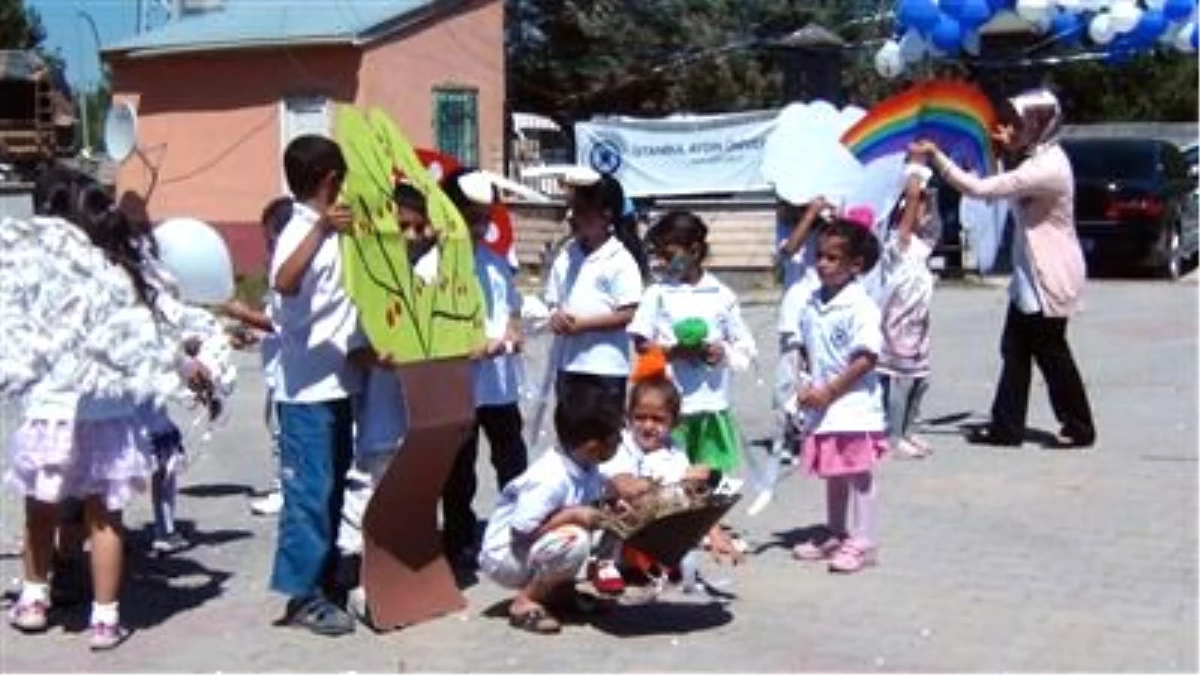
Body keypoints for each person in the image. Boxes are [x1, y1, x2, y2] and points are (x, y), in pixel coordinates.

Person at [4, 175, 212, 650]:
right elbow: (157, 336)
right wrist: (187, 366)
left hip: (51, 411)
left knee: (40, 511)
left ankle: (35, 599)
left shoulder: (38, 269)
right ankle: (104, 619)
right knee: (105, 520)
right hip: (111, 416)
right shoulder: (124, 271)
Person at [911, 88, 1096, 449]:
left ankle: (1078, 426)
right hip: (1030, 274)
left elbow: (981, 189)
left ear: (1042, 124)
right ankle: (1007, 427)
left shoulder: (1047, 167)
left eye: (1023, 122)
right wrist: (1003, 151)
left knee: (1050, 352)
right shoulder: (1036, 159)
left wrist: (936, 157)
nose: (1015, 128)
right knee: (1016, 349)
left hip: (1050, 273)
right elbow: (1004, 180)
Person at [268, 134, 360, 636]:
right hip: (304, 391)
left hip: (336, 381)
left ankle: (326, 580)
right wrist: (321, 228)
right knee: (308, 492)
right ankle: (302, 594)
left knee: (331, 489)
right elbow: (283, 281)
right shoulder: (299, 228)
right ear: (330, 181)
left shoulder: (336, 231)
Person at [477, 382, 623, 635]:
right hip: (507, 554)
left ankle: (559, 592)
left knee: (613, 523)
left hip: (534, 547)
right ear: (592, 446)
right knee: (573, 539)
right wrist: (572, 516)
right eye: (615, 439)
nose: (621, 442)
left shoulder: (585, 465)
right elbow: (521, 531)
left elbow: (599, 492)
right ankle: (525, 602)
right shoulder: (549, 477)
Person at [439, 169, 530, 570]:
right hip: (458, 382)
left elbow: (511, 307)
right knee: (459, 466)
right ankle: (458, 538)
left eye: (485, 218)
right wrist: (466, 347)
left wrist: (511, 332)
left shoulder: (495, 262)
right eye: (471, 217)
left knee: (511, 458)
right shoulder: (435, 262)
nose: (479, 226)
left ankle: (523, 527)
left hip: (499, 382)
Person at [791, 218, 887, 574]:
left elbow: (866, 358)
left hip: (852, 407)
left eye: (833, 258)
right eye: (820, 256)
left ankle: (864, 540)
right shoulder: (813, 301)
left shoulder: (861, 307)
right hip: (822, 407)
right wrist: (804, 383)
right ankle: (835, 531)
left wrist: (831, 391)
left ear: (855, 265)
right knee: (833, 472)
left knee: (859, 473)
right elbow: (804, 348)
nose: (822, 264)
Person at [630, 211, 756, 476]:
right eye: (660, 255)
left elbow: (744, 349)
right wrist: (675, 352)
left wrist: (722, 353)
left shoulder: (721, 295)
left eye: (669, 254)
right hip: (672, 407)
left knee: (710, 479)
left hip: (711, 406)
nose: (664, 262)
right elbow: (642, 344)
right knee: (670, 478)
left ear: (695, 250)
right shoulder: (658, 293)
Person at [595, 375, 737, 593]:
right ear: (628, 417)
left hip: (651, 529)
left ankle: (653, 561)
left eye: (658, 419)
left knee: (684, 499)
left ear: (675, 422)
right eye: (640, 417)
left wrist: (715, 534)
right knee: (620, 505)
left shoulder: (674, 450)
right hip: (619, 526)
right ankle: (604, 563)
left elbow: (695, 496)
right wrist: (669, 484)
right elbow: (623, 485)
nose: (648, 425)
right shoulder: (621, 445)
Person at [544, 175, 644, 413]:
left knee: (602, 438)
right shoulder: (567, 255)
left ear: (605, 214)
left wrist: (584, 325)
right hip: (567, 363)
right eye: (571, 210)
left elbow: (628, 313)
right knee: (571, 434)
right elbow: (552, 301)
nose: (573, 217)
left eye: (580, 210)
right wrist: (555, 316)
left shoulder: (619, 259)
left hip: (605, 368)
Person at [222, 196, 294, 516]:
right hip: (276, 369)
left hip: (289, 374)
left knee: (284, 434)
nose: (269, 249)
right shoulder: (280, 271)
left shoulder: (293, 272)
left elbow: (282, 322)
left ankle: (285, 489)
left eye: (272, 240)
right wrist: (251, 335)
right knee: (274, 426)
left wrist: (241, 313)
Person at [876, 158, 941, 459]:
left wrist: (930, 195)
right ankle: (894, 434)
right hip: (897, 323)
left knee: (921, 379)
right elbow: (912, 200)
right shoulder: (895, 243)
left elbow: (933, 225)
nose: (923, 213)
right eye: (919, 208)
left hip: (918, 322)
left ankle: (910, 428)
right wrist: (915, 171)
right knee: (899, 379)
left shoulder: (922, 245)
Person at [775, 199, 834, 463]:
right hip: (794, 315)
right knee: (792, 377)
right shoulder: (787, 226)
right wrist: (810, 214)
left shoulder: (829, 228)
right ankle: (790, 436)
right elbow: (789, 251)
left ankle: (818, 434)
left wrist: (830, 216)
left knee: (821, 374)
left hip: (824, 310)